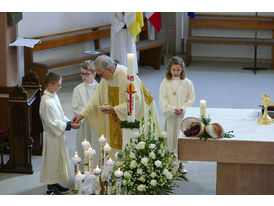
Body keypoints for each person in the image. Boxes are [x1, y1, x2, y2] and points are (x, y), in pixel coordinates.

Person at [72, 55, 160, 158]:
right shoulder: (106, 78)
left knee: (132, 147)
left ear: (109, 69)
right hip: (115, 121)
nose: (100, 78)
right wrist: (82, 115)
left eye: (100, 74)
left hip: (137, 116)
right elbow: (95, 100)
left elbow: (136, 100)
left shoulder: (125, 76)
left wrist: (115, 109)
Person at [39, 72, 80, 195]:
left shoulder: (53, 95)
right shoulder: (46, 102)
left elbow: (60, 115)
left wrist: (69, 121)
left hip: (58, 135)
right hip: (52, 137)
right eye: (58, 85)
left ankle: (54, 182)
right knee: (52, 162)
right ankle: (50, 187)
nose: (60, 87)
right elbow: (51, 123)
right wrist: (67, 125)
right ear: (50, 85)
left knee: (57, 161)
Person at [159, 56, 195, 174]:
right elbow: (162, 100)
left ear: (182, 70)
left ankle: (180, 164)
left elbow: (191, 98)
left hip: (181, 117)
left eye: (178, 70)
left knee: (179, 140)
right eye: (173, 70)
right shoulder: (165, 83)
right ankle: (169, 164)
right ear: (169, 69)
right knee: (169, 140)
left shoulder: (187, 83)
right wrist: (173, 109)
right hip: (170, 117)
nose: (175, 72)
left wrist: (183, 108)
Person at [72, 60, 99, 171]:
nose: (84, 77)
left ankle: (97, 170)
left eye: (86, 74)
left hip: (96, 124)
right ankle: (84, 171)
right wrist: (85, 115)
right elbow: (75, 107)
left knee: (96, 146)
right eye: (82, 73)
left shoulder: (99, 88)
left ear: (94, 74)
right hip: (84, 124)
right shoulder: (78, 89)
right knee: (84, 146)